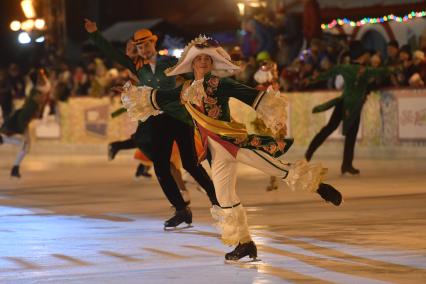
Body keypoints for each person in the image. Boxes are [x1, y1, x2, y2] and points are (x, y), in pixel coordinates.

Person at [120, 35, 342, 261]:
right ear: (192, 64)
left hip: (236, 145)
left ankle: (320, 187)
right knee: (225, 199)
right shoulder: (185, 90)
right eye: (199, 59)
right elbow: (155, 98)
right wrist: (132, 97)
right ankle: (245, 243)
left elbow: (253, 96)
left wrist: (271, 111)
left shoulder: (221, 84)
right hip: (216, 156)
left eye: (207, 59)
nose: (203, 62)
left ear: (213, 63)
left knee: (279, 170)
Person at [85, 19, 219, 228]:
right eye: (140, 46)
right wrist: (95, 34)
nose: (144, 49)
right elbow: (112, 53)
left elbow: (197, 74)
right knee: (160, 167)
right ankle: (181, 210)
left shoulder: (171, 62)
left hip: (180, 118)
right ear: (137, 50)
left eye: (147, 44)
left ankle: (218, 201)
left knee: (190, 164)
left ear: (153, 43)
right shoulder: (139, 67)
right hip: (158, 120)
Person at [305, 41, 391, 174]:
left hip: (347, 103)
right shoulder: (364, 70)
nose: (368, 56)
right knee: (345, 133)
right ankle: (344, 163)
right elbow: (383, 72)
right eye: (366, 54)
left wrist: (311, 79)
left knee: (332, 129)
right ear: (362, 56)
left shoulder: (351, 68)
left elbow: (327, 74)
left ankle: (318, 155)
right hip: (351, 104)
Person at [0, 69, 51, 178]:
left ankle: (15, 167)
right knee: (24, 144)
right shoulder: (38, 91)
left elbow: (45, 85)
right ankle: (3, 140)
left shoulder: (34, 90)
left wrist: (40, 73)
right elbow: (47, 86)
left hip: (23, 118)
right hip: (22, 118)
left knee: (26, 146)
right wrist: (41, 73)